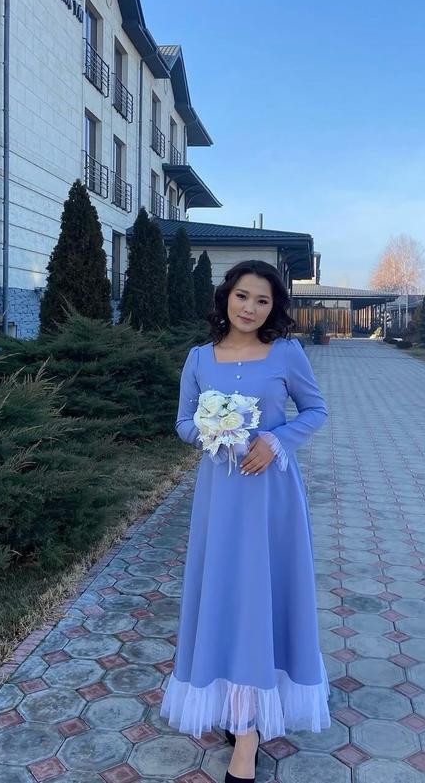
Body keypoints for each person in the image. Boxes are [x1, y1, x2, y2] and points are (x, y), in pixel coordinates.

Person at [159, 259, 331, 783]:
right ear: (225, 297)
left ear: (273, 307)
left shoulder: (286, 353)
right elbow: (183, 421)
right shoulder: (199, 358)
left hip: (271, 498)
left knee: (262, 596)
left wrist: (276, 439)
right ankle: (237, 710)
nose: (250, 308)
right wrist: (213, 433)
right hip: (220, 499)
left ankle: (248, 733)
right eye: (242, 296)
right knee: (226, 594)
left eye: (262, 300)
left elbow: (315, 410)